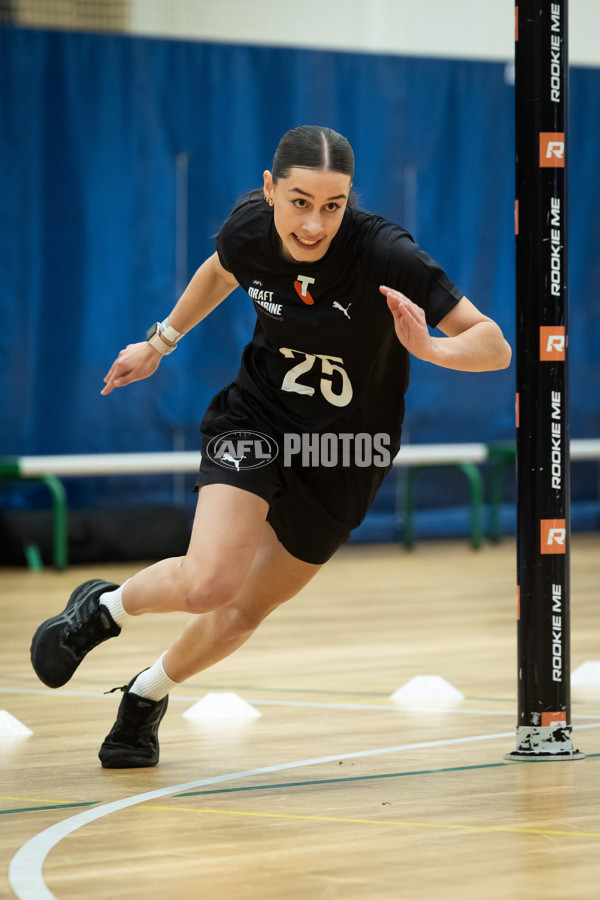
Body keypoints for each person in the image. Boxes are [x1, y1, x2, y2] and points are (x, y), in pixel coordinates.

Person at [30, 125, 511, 768]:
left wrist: (430, 348)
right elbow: (220, 271)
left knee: (245, 610)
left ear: (350, 201)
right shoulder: (250, 230)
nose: (314, 223)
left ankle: (145, 696)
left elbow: (494, 346)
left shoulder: (385, 255)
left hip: (347, 453)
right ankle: (104, 610)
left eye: (333, 206)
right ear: (270, 189)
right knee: (209, 583)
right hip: (257, 419)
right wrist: (159, 341)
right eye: (300, 202)